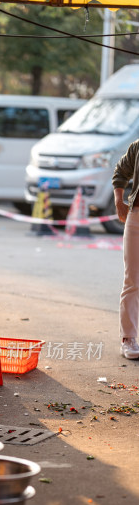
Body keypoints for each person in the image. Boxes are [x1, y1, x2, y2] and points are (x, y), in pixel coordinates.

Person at [114, 144, 139, 359]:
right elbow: (121, 172)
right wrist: (118, 201)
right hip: (137, 215)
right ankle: (128, 338)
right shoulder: (137, 147)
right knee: (132, 279)